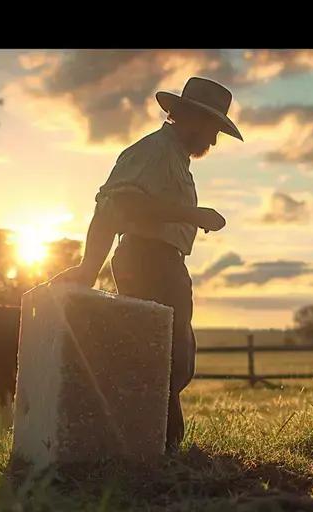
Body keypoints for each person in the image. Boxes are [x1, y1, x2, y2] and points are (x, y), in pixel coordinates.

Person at [53, 76, 243, 454]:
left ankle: (158, 442)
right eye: (211, 128)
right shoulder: (154, 151)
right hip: (148, 259)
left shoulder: (172, 157)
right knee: (161, 354)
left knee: (172, 354)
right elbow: (117, 207)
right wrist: (194, 214)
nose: (213, 140)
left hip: (161, 260)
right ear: (186, 117)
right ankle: (158, 445)